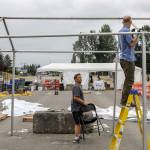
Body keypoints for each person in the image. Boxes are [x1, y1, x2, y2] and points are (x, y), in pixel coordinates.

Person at [118, 16, 138, 106]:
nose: (131, 24)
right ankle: (125, 101)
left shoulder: (120, 31)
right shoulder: (126, 31)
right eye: (130, 22)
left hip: (123, 58)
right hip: (128, 58)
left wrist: (132, 36)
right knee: (129, 81)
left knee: (127, 80)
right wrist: (136, 36)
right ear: (129, 22)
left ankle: (124, 100)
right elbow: (132, 44)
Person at [71, 73, 89, 143]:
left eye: (80, 77)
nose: (80, 78)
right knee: (77, 123)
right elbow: (75, 98)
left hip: (79, 107)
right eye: (79, 77)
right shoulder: (76, 87)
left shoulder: (78, 86)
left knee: (79, 122)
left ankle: (78, 135)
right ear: (75, 79)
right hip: (76, 108)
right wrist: (84, 103)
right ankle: (76, 138)